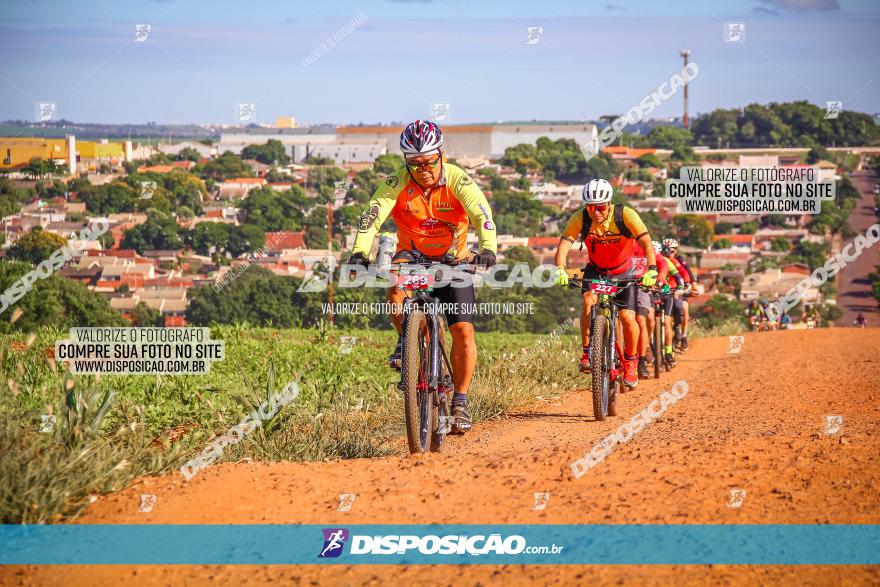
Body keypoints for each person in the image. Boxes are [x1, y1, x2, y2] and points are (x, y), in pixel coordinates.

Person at [346, 120, 497, 433]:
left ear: (440, 154)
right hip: (412, 256)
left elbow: (482, 215)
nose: (424, 168)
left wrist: (488, 250)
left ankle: (460, 401)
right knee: (394, 287)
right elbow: (371, 217)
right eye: (415, 163)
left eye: (429, 160)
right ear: (406, 161)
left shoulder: (457, 178)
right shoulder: (396, 182)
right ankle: (408, 341)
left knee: (464, 331)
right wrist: (360, 251)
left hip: (454, 260)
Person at [553, 178, 657, 388]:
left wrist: (652, 270)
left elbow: (646, 241)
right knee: (588, 301)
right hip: (597, 270)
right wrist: (560, 269)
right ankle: (587, 351)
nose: (595, 212)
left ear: (608, 204)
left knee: (628, 318)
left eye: (600, 207)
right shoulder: (579, 218)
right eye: (590, 207)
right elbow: (564, 245)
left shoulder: (625, 215)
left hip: (624, 272)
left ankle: (631, 363)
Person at [663, 238, 694, 350]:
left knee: (684, 308)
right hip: (662, 291)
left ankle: (683, 335)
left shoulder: (677, 261)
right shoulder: (659, 259)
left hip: (676, 289)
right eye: (666, 250)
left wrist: (686, 284)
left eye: (672, 251)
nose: (669, 253)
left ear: (676, 251)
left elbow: (686, 274)